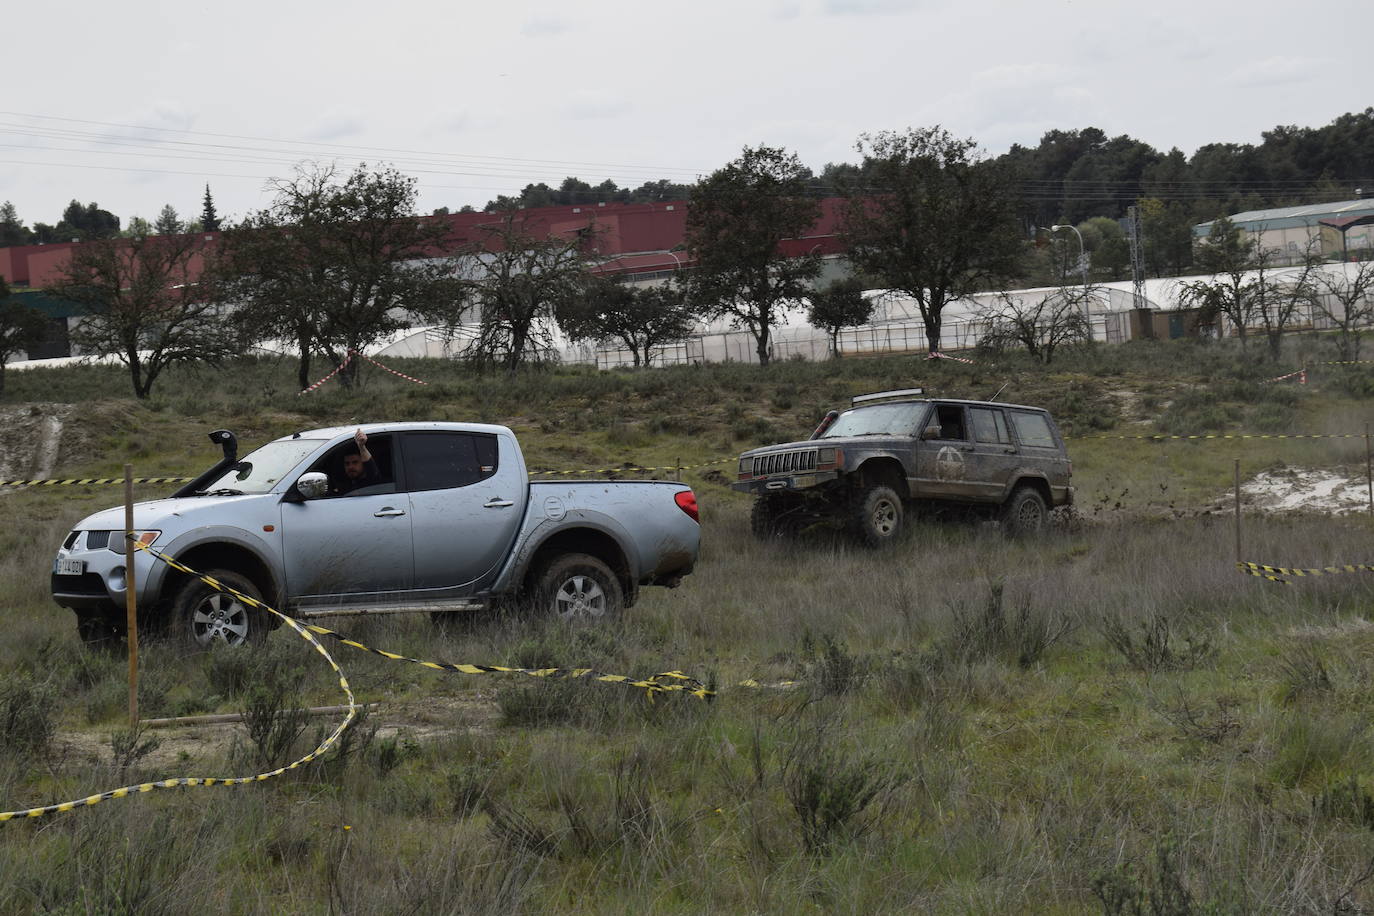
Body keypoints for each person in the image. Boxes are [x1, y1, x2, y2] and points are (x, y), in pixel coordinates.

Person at [332, 428, 381, 495]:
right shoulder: (344, 485)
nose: (350, 467)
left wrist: (361, 446)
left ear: (363, 463)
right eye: (347, 463)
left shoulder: (371, 482)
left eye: (355, 462)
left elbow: (371, 468)